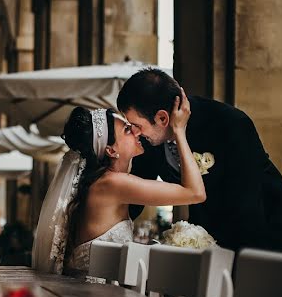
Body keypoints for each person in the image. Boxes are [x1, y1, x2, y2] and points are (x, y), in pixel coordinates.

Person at [117, 68, 282, 256]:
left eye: (136, 126)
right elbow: (135, 191)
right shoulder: (150, 139)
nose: (135, 133)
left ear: (162, 118)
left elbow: (246, 207)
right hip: (209, 237)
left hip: (266, 235)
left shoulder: (231, 124)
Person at [32, 90, 206, 275]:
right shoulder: (113, 184)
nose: (136, 131)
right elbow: (195, 193)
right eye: (127, 130)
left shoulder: (101, 183)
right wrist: (179, 130)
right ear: (111, 150)